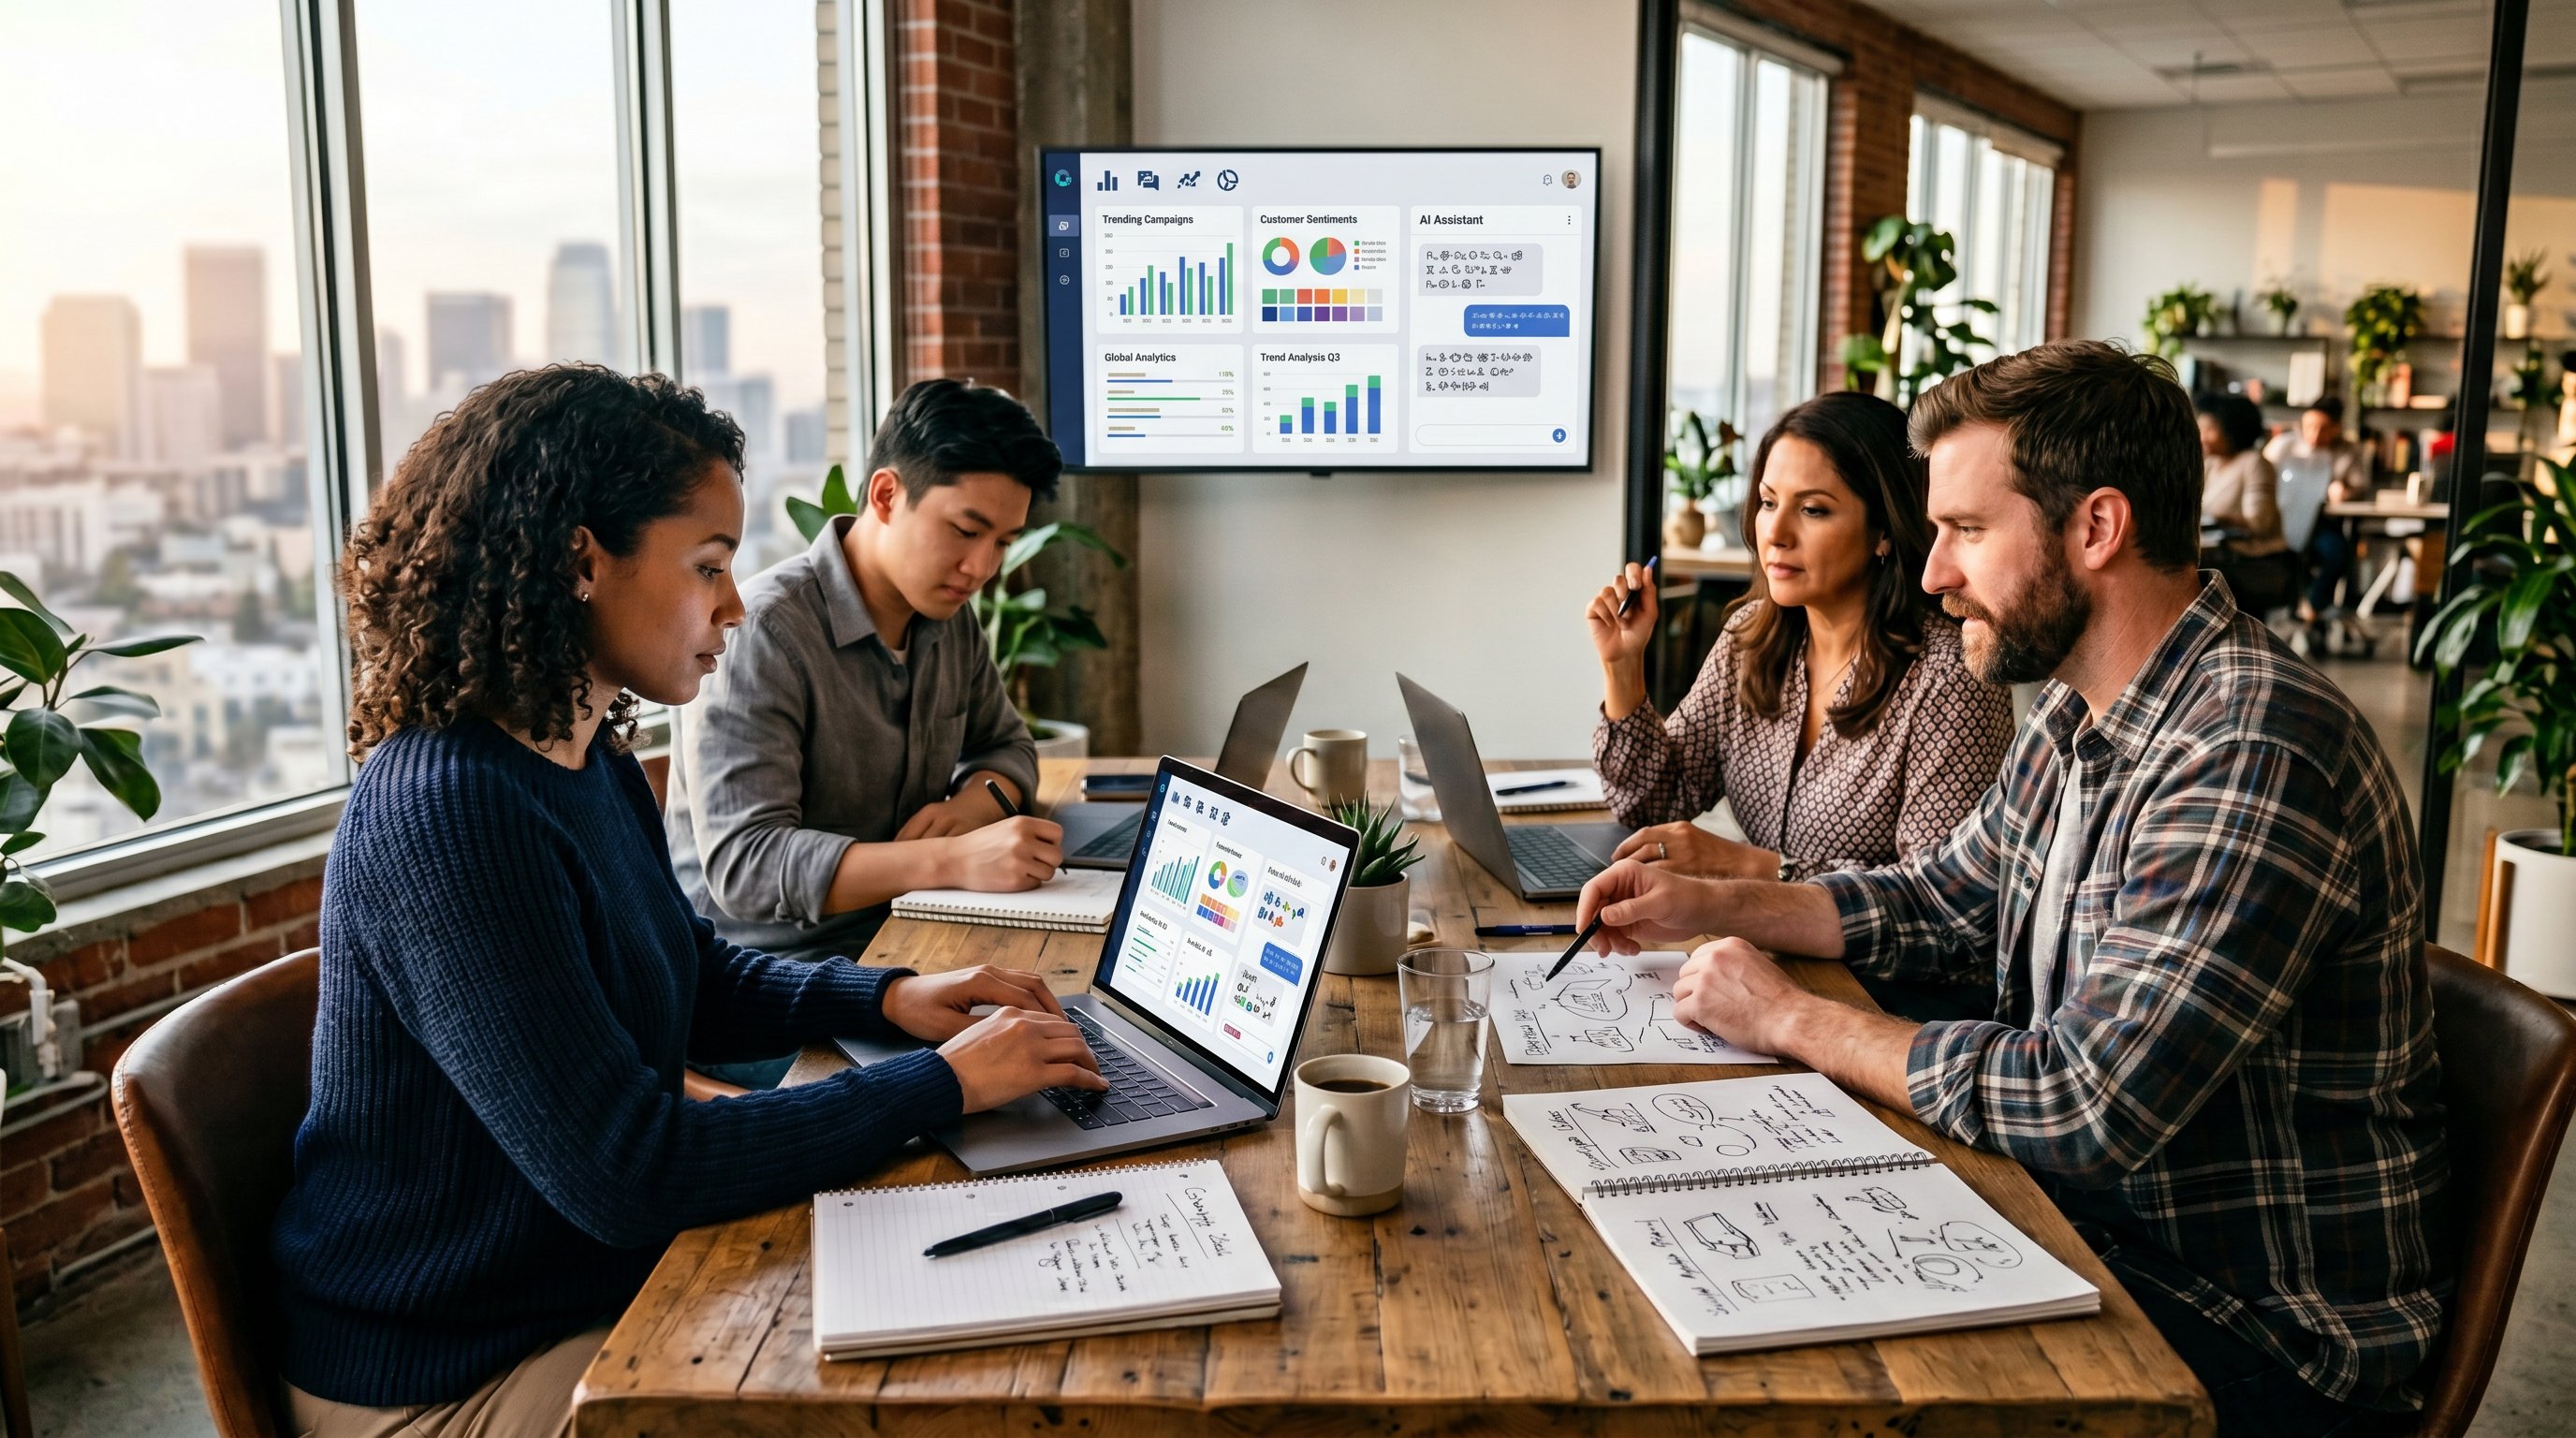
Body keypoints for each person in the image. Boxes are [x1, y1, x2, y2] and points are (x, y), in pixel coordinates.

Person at [1576, 341, 2447, 1437]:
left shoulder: (2250, 745)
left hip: (2250, 1329)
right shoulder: (2084, 715)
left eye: (1966, 532)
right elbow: (1943, 899)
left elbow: (2081, 1102)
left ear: (2095, 528)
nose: (1933, 572)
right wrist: (1712, 903)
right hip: (2087, 1229)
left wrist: (1790, 1017)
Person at [271, 366, 1105, 1438]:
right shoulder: (451, 813)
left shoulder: (583, 756)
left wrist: (891, 1000)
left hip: (569, 1278)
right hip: (451, 1363)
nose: (733, 603)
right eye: (707, 566)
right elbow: (630, 1170)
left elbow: (693, 972)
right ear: (582, 561)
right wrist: (936, 1086)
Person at [666, 378, 1066, 1086]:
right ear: (885, 496)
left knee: (1060, 1032)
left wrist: (972, 809)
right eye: (966, 531)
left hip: (899, 948)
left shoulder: (948, 618)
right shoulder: (765, 631)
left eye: (1003, 542)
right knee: (1018, 1078)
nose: (983, 569)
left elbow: (1008, 750)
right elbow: (747, 866)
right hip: (764, 996)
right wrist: (951, 860)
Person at [1585, 392, 2013, 1020]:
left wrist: (1750, 868)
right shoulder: (1752, 636)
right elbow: (1652, 802)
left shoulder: (1950, 678)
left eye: (1813, 509)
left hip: (1891, 1009)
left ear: (1884, 533)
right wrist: (1624, 666)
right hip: (1766, 975)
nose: (1775, 534)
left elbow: (1943, 915)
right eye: (1766, 502)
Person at [2262, 396, 2366, 634]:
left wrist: (2344, 491)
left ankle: (2313, 605)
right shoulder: (2284, 445)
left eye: (2323, 428)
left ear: (2337, 428)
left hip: (2321, 522)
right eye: (2309, 426)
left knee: (2338, 554)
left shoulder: (2347, 451)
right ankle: (2293, 605)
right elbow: (2263, 475)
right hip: (2281, 519)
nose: (2314, 434)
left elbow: (2359, 486)